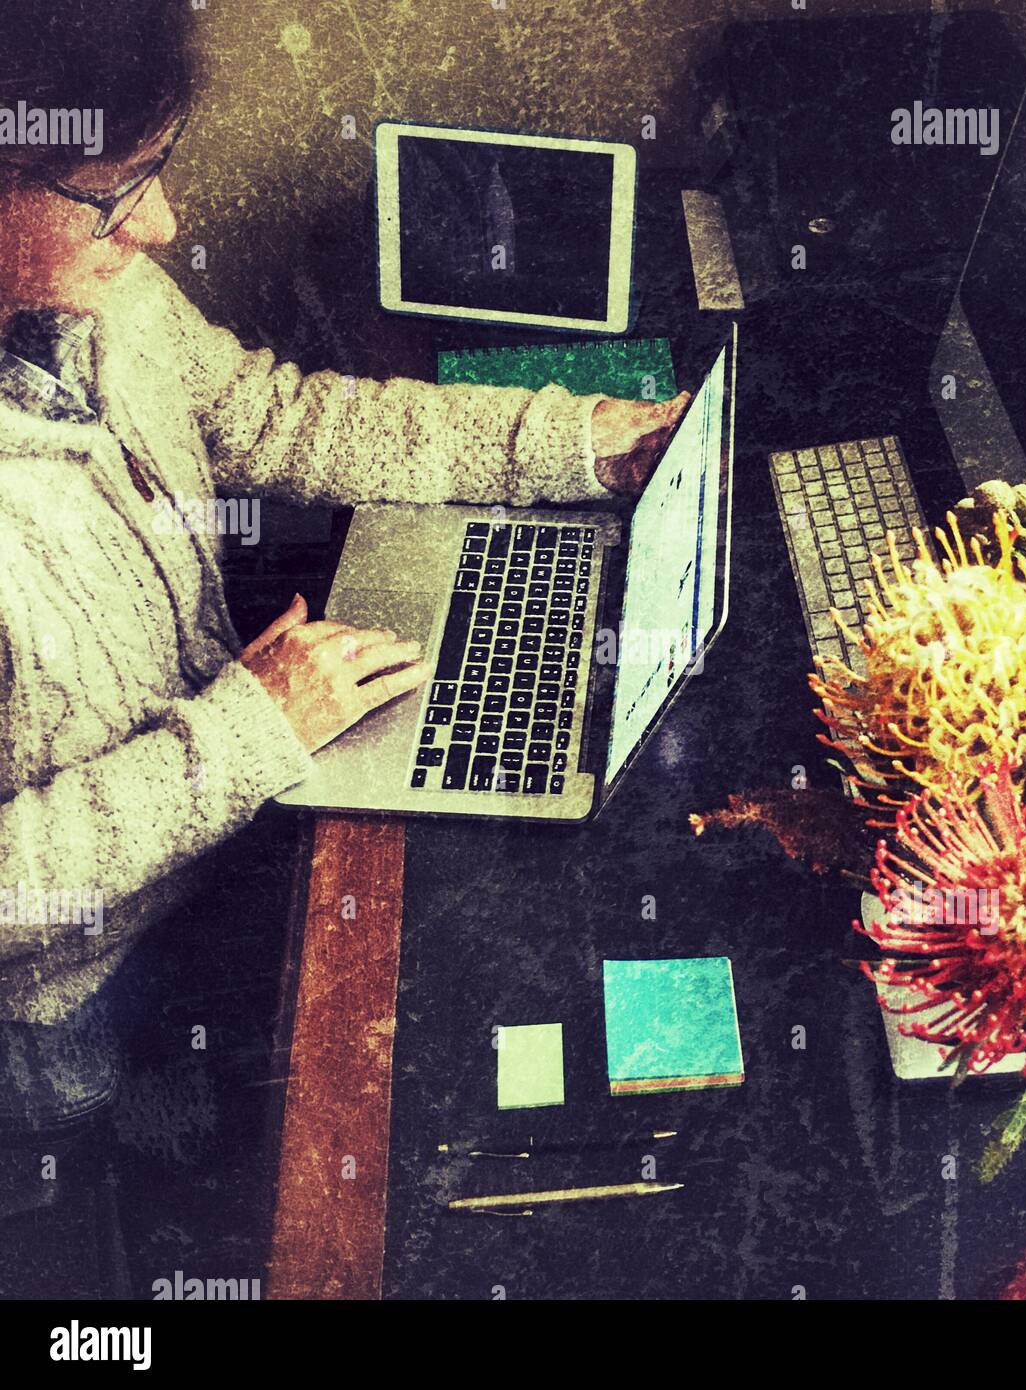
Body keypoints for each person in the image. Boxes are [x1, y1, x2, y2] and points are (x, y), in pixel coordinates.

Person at [0, 1, 687, 1138]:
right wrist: (246, 730)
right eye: (114, 192)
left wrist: (572, 443)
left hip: (235, 815)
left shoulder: (100, 296)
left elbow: (280, 418)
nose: (163, 225)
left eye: (158, 169)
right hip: (90, 990)